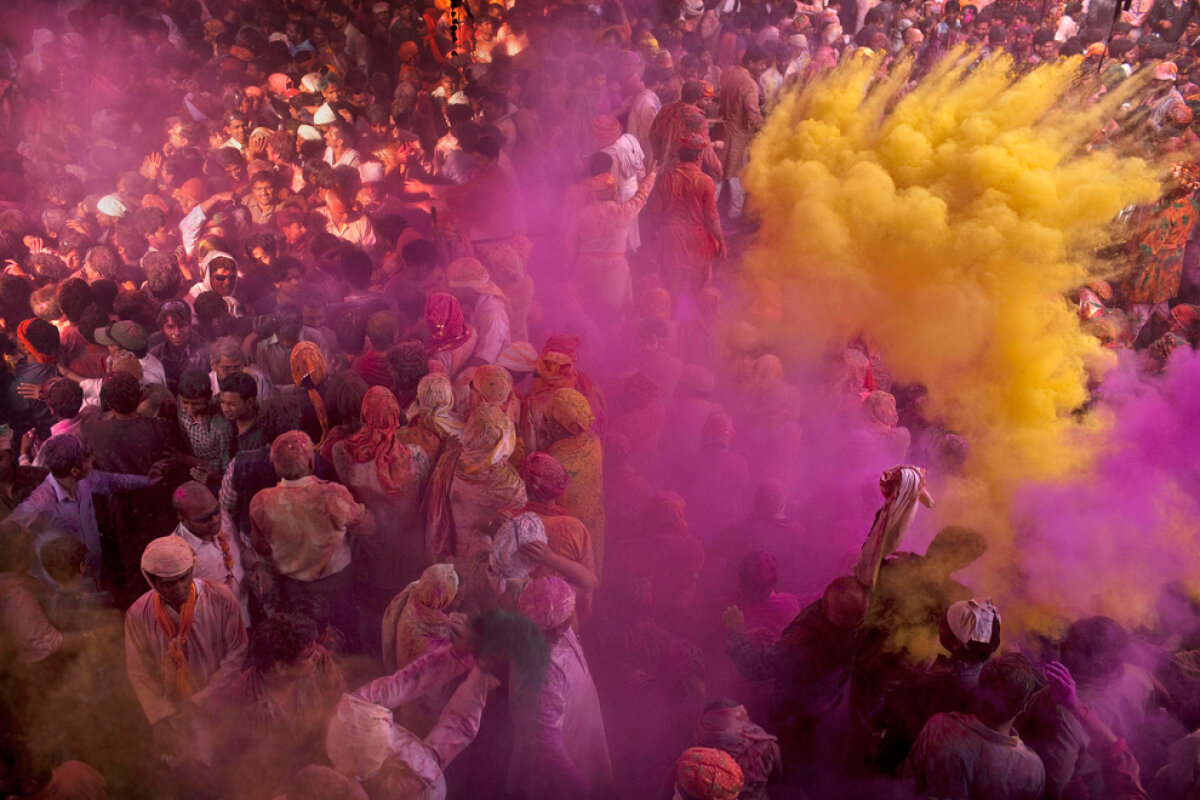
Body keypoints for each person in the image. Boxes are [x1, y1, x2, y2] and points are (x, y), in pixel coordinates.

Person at [124, 536, 248, 762]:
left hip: (220, 702)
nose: (179, 588)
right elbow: (139, 672)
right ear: (151, 580)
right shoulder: (138, 614)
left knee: (230, 762)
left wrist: (202, 699)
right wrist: (160, 719)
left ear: (193, 569)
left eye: (184, 577)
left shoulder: (220, 597)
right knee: (187, 769)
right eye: (169, 583)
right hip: (173, 711)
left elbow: (236, 653)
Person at [249, 431, 374, 643]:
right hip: (336, 584)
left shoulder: (261, 502)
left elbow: (260, 547)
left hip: (292, 587)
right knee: (346, 635)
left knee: (303, 643)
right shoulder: (332, 494)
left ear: (276, 465)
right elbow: (368, 526)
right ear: (310, 462)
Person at [206, 613, 345, 800]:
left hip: (322, 764)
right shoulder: (239, 701)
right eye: (308, 655)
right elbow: (232, 768)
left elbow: (339, 702)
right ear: (281, 667)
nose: (317, 653)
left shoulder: (319, 663)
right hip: (272, 785)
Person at [509, 576, 613, 799]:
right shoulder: (543, 674)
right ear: (557, 628)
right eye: (569, 616)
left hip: (579, 730)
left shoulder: (549, 627)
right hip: (562, 762)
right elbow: (547, 743)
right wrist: (576, 784)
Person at [9, 433, 160, 579]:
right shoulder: (40, 503)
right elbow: (5, 536)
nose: (92, 461)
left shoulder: (85, 480)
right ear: (74, 471)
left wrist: (149, 480)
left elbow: (113, 481)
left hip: (92, 574)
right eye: (88, 461)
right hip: (64, 589)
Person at [905, 653, 1047, 800]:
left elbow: (906, 786)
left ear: (980, 691)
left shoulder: (939, 727)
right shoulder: (1032, 769)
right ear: (1023, 707)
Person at [647, 134, 725, 309]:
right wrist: (721, 241)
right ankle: (699, 326)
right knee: (700, 291)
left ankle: (672, 324)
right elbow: (712, 216)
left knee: (671, 289)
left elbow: (654, 212)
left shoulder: (666, 178)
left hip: (671, 237)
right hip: (698, 239)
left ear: (680, 154)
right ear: (699, 156)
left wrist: (658, 234)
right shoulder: (705, 181)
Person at [543, 388, 607, 576]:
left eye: (547, 421)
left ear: (556, 427)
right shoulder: (593, 442)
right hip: (592, 524)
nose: (544, 425)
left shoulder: (553, 462)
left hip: (568, 535)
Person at [169, 481, 248, 626]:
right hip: (218, 626)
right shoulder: (176, 553)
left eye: (216, 510)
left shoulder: (223, 517)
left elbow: (242, 550)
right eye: (204, 519)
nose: (216, 519)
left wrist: (256, 566)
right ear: (182, 519)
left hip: (246, 609)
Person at [718, 46, 768, 221]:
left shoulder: (729, 72)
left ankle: (708, 212)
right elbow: (753, 115)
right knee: (736, 176)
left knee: (718, 173)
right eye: (761, 64)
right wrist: (768, 129)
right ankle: (734, 215)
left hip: (721, 131)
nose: (763, 68)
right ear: (751, 62)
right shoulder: (750, 84)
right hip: (738, 135)